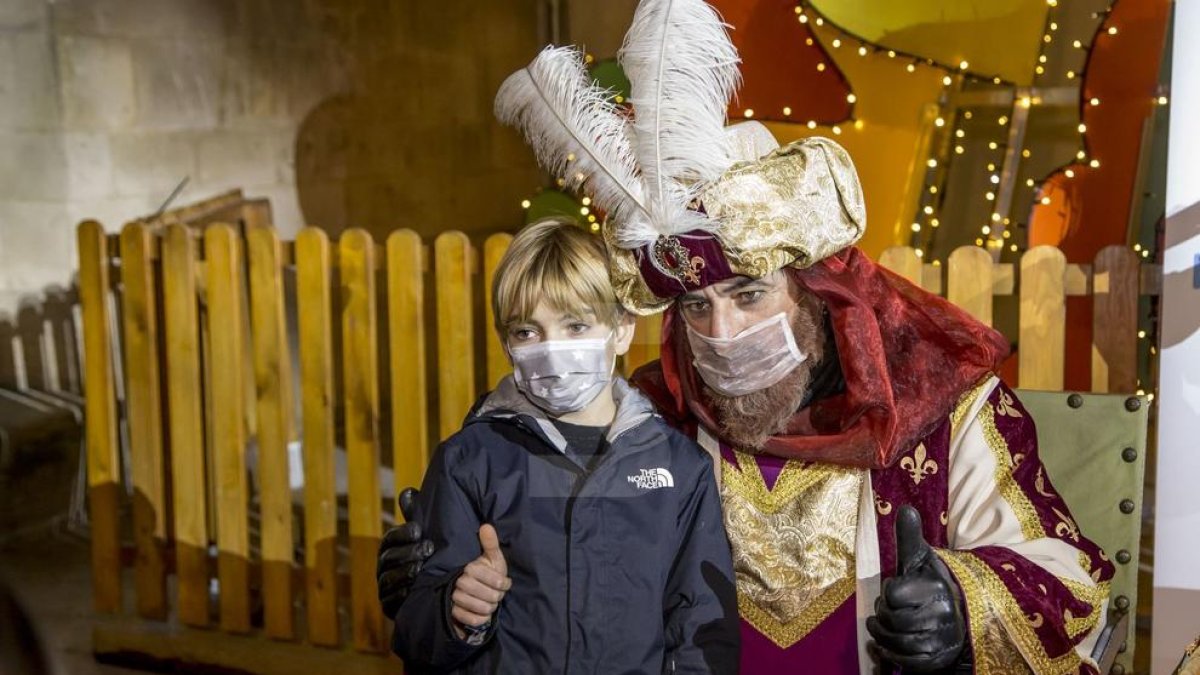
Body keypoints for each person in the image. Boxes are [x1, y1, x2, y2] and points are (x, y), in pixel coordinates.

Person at [381, 0, 1114, 672]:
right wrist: (436, 576)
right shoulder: (652, 415)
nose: (722, 333)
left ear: (818, 289)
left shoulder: (944, 408)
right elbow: (538, 530)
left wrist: (961, 604)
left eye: (749, 293)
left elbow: (1076, 581)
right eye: (695, 309)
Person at [387, 218, 739, 674]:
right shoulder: (471, 461)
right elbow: (417, 635)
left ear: (622, 329)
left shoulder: (678, 466)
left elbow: (701, 629)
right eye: (527, 332)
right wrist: (456, 612)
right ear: (506, 342)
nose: (551, 350)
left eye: (575, 326)